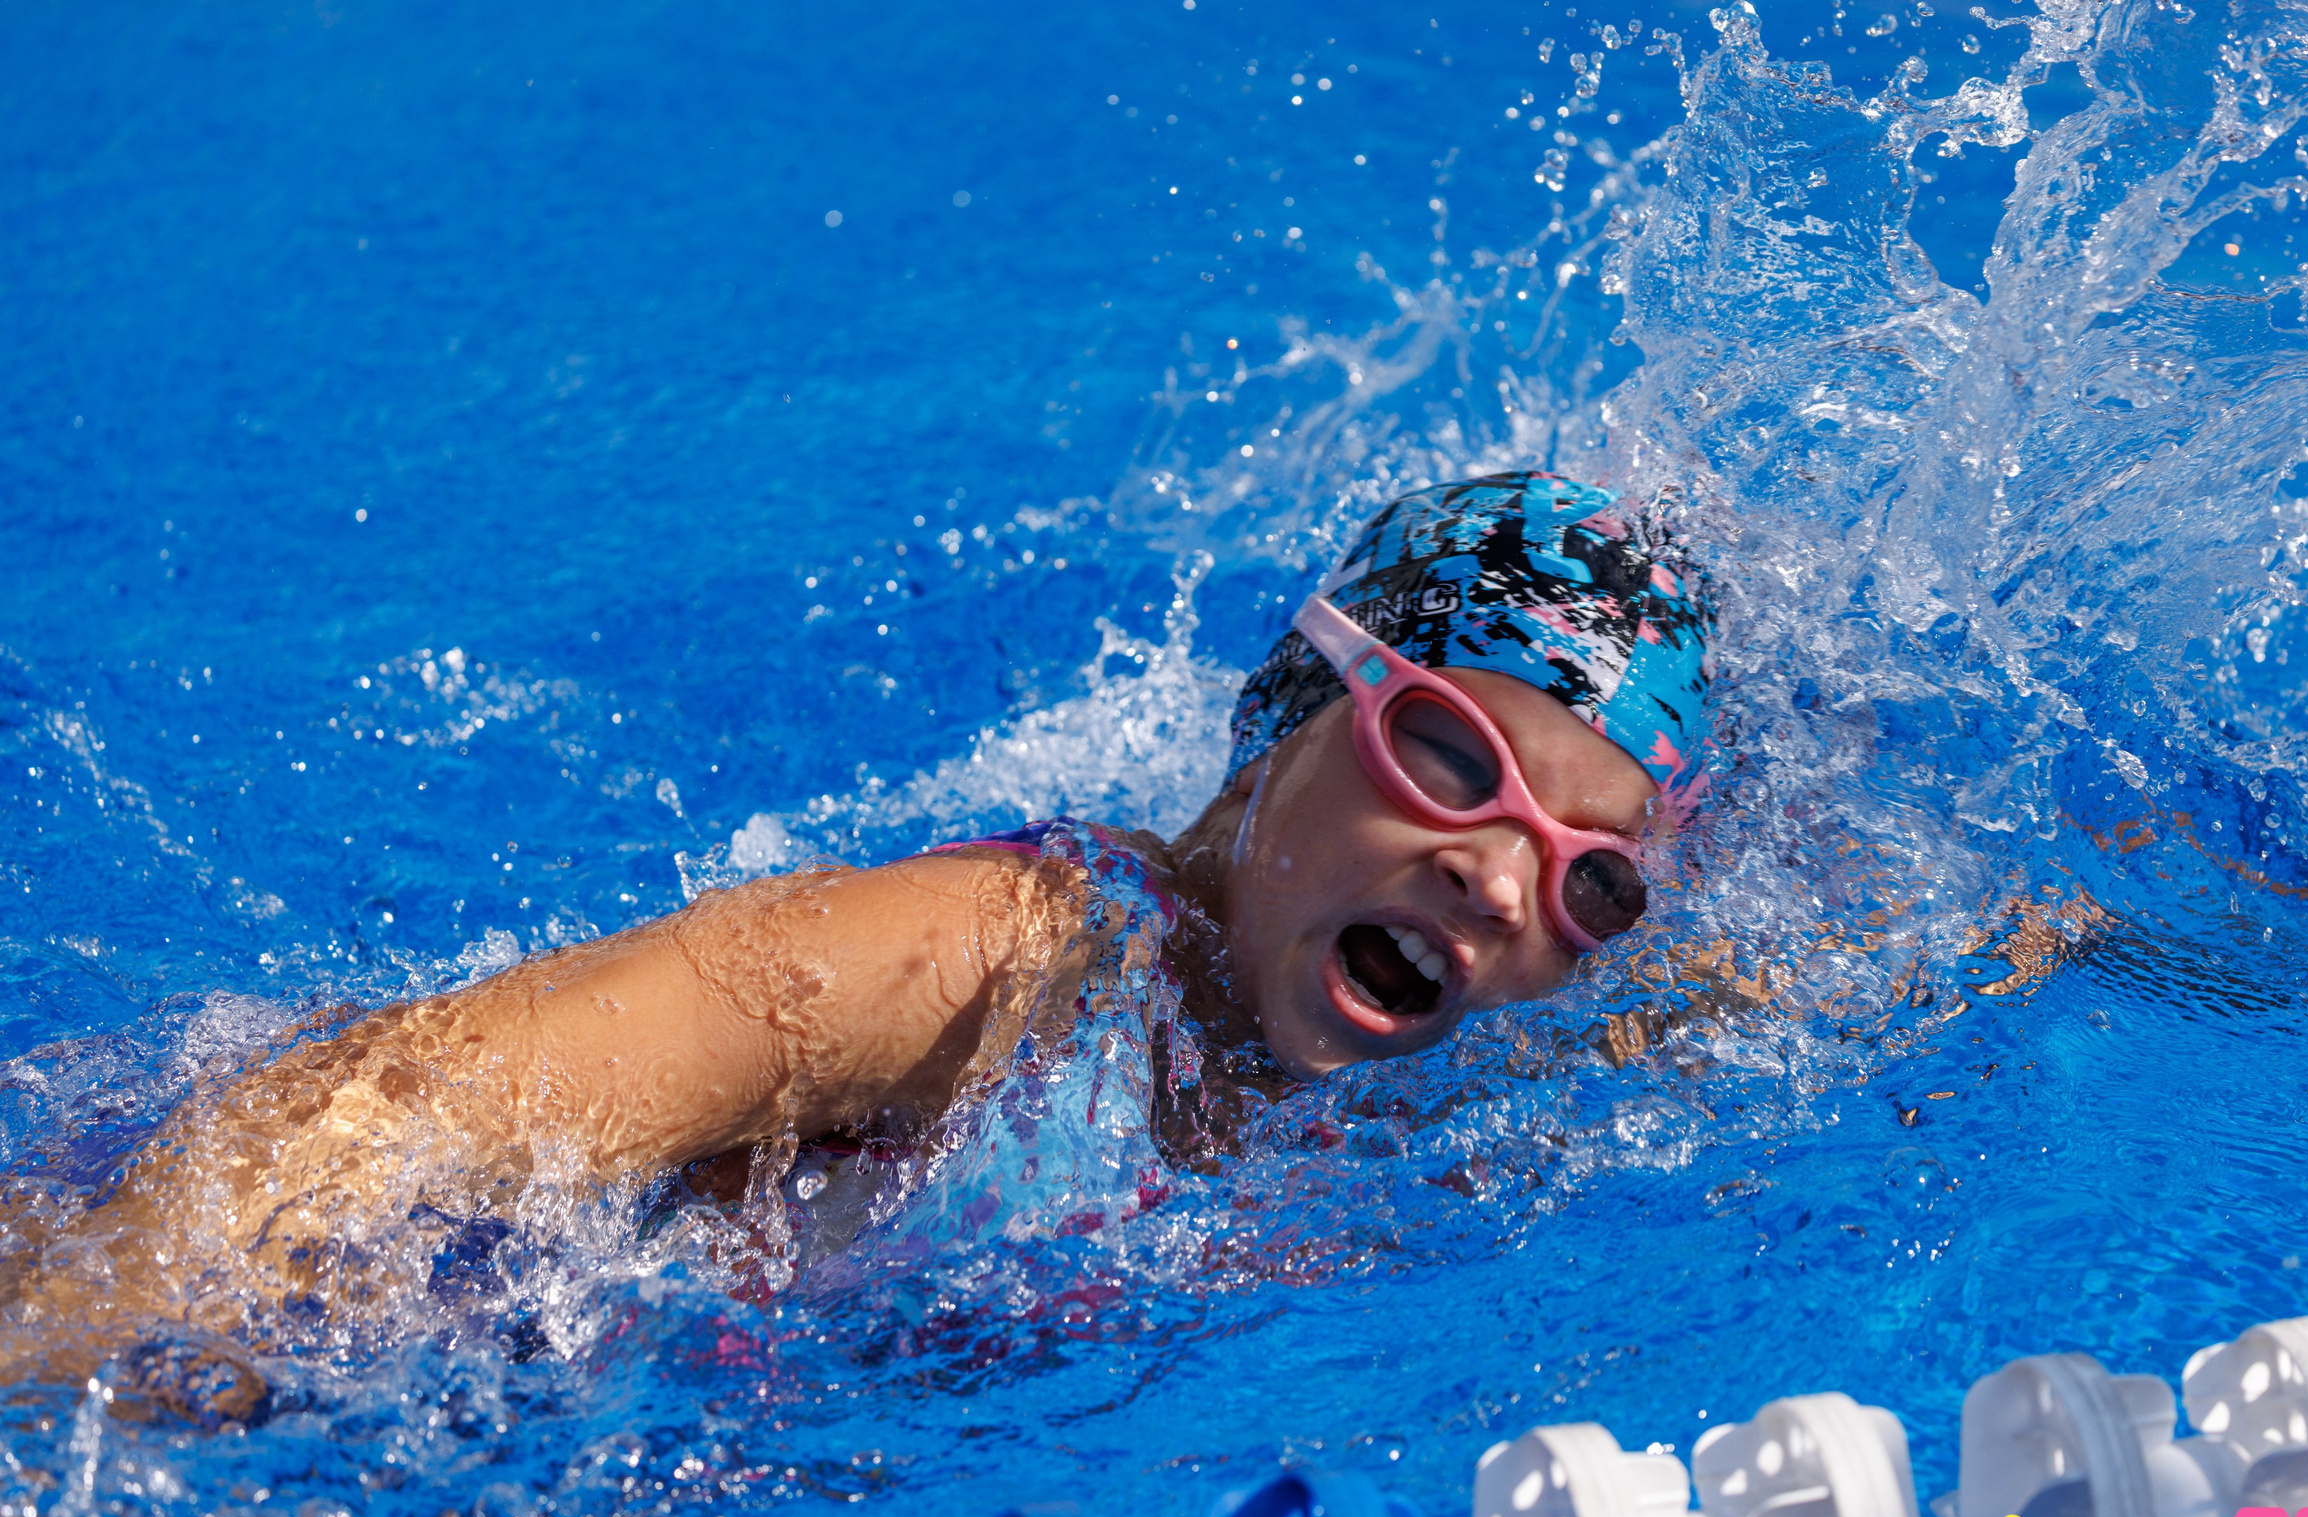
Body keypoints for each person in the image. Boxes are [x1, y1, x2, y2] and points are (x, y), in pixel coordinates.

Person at [0, 472, 1720, 1405]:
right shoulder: (993, 956)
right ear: (1295, 708)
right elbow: (399, 1103)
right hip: (355, 1287)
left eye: (1591, 879)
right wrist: (98, 1316)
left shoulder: (1424, 1069)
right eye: (1455, 757)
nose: (1502, 883)